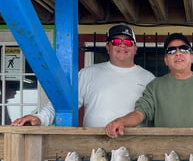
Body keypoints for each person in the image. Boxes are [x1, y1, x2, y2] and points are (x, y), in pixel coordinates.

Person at [11, 23, 155, 127]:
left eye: (128, 42)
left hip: (136, 153)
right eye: (116, 41)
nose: (122, 45)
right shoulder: (87, 73)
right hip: (95, 151)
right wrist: (39, 118)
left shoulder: (149, 78)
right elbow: (64, 103)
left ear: (135, 49)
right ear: (108, 47)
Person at [105, 33, 193, 141]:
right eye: (171, 51)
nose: (178, 53)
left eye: (184, 49)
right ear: (166, 60)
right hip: (164, 155)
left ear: (191, 57)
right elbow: (140, 113)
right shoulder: (155, 86)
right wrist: (121, 121)